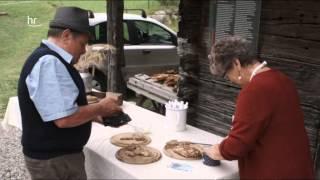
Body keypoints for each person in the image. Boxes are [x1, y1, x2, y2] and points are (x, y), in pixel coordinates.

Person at [17, 7, 122, 179]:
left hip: (57, 157)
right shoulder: (49, 62)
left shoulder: (50, 59)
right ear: (66, 35)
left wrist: (94, 116)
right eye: (82, 43)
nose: (84, 50)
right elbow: (64, 119)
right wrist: (101, 108)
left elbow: (60, 108)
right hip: (55, 160)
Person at [204, 36, 315, 179]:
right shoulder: (282, 79)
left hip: (274, 172)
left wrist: (215, 151)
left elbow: (236, 147)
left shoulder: (254, 90)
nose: (230, 81)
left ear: (236, 64)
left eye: (226, 75)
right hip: (297, 169)